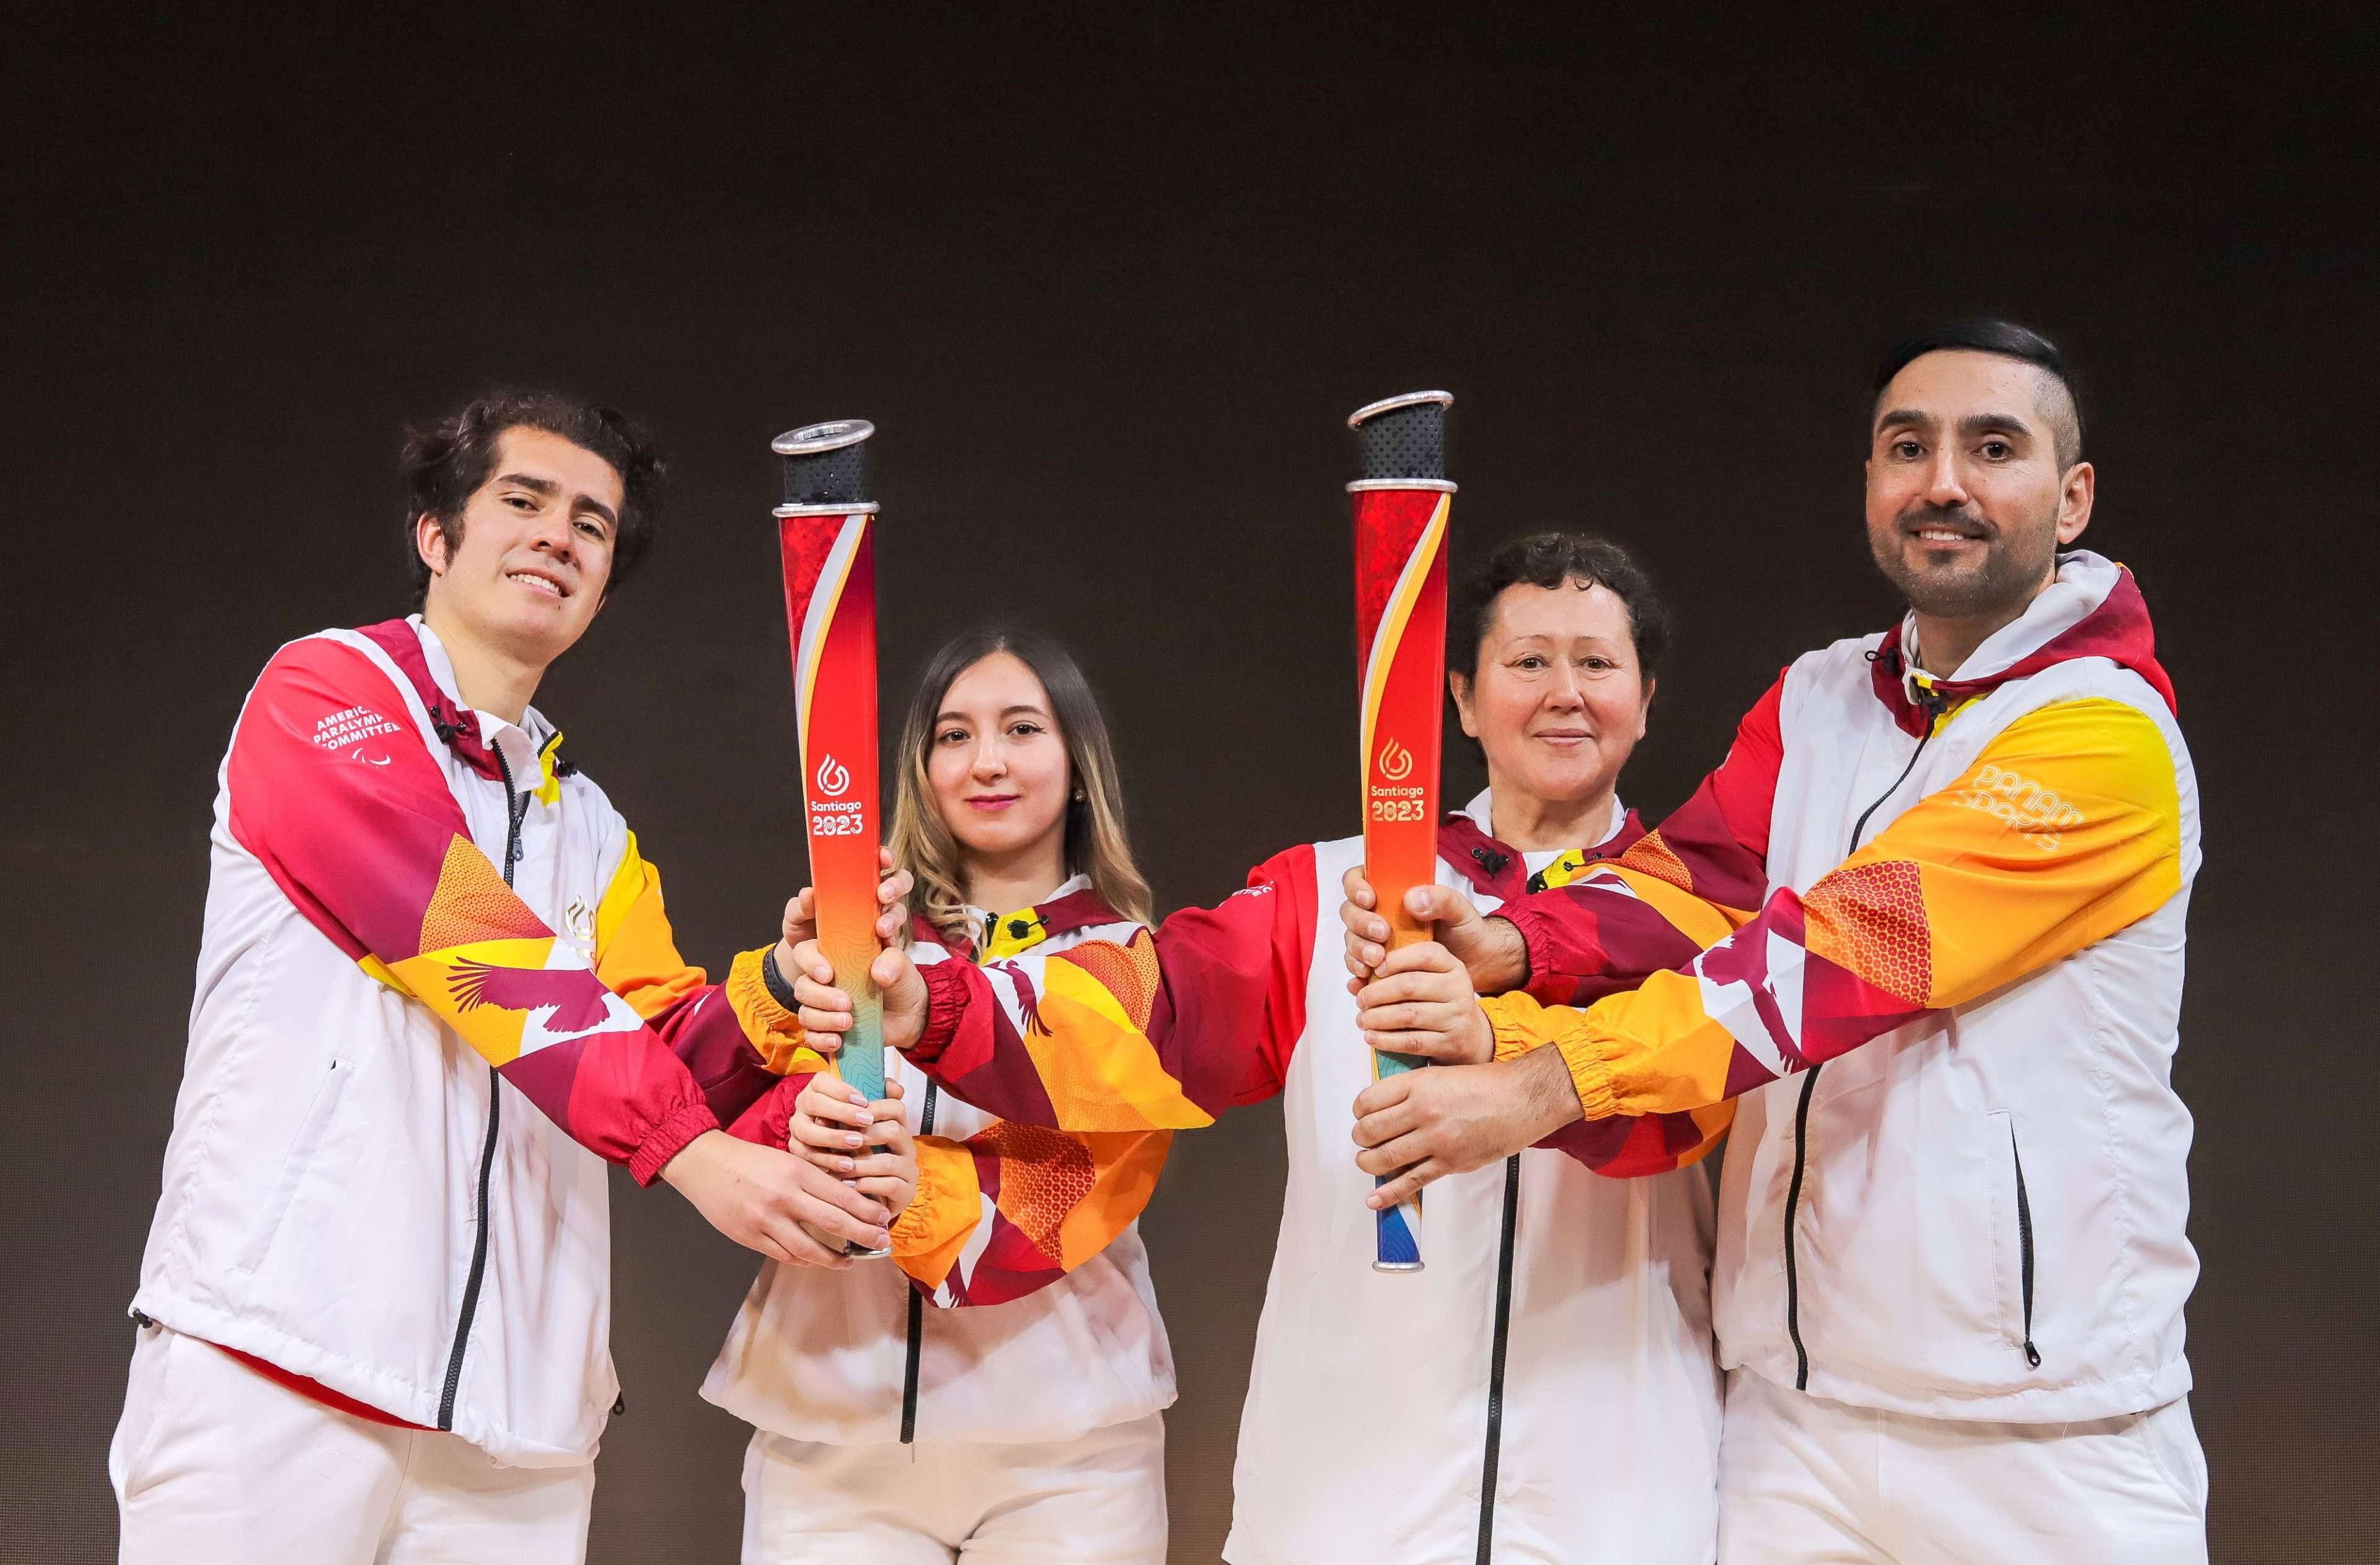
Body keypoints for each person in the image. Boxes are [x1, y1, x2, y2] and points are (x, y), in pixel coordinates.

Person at [1340, 320, 2209, 1561]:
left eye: (1994, 447)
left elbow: (1829, 964)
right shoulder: (1821, 697)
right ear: (1870, 483)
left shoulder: (2103, 742)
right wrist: (1510, 948)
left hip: (2048, 1441)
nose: (1944, 481)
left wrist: (1536, 1081)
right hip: (1792, 1423)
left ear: (2071, 499)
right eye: (1908, 447)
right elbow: (1695, 886)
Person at [787, 535, 1728, 1563]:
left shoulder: (1704, 919)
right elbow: (1151, 1012)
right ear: (1458, 697)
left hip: (1622, 1478)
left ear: (1645, 697)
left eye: (1597, 663)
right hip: (1349, 1482)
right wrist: (931, 1004)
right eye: (1528, 661)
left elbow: (1676, 1105)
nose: (1564, 692)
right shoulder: (1328, 895)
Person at [112, 392, 912, 1564]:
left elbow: (666, 1043)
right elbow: (469, 943)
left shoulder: (592, 828)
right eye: (522, 503)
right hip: (277, 1369)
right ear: (435, 535)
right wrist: (693, 1154)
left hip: (517, 1434)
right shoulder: (322, 697)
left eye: (592, 525)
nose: (559, 536)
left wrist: (794, 1009)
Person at [713, 630, 1176, 1564]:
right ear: (921, 769)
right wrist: (797, 1124)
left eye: (1021, 728)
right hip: (828, 1433)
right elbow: (719, 1101)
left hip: (1066, 1455)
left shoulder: (1133, 959)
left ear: (1078, 763)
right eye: (953, 736)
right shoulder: (855, 935)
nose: (988, 762)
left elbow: (1079, 1187)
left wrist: (899, 1192)